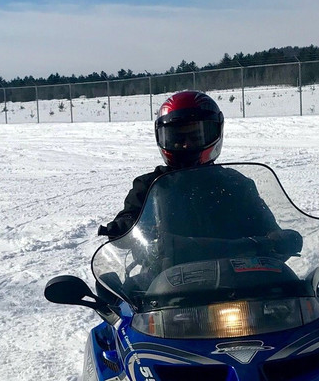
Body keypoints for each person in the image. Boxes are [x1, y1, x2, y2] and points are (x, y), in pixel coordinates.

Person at [97, 91, 300, 257]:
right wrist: (125, 227)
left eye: (195, 136)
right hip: (164, 284)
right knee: (118, 302)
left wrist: (280, 239)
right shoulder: (150, 185)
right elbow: (130, 217)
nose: (186, 145)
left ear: (216, 132)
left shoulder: (235, 183)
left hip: (241, 277)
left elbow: (265, 225)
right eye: (177, 138)